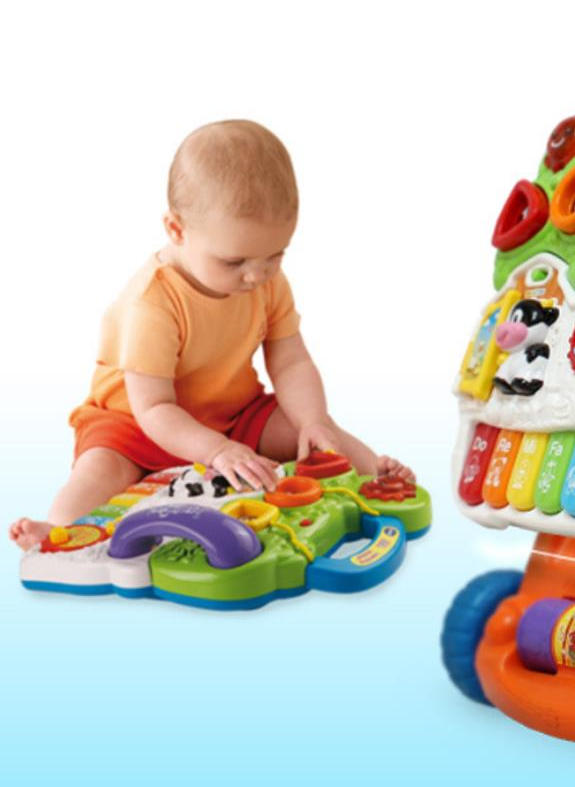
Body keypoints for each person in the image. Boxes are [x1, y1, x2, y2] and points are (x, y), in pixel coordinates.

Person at [11, 120, 411, 550]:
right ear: (177, 230)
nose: (256, 275)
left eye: (275, 255)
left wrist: (311, 419)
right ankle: (58, 529)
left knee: (312, 427)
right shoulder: (152, 304)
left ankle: (376, 477)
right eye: (234, 261)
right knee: (98, 471)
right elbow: (154, 408)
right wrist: (215, 451)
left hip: (233, 415)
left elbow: (291, 361)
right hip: (137, 426)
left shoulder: (266, 281)